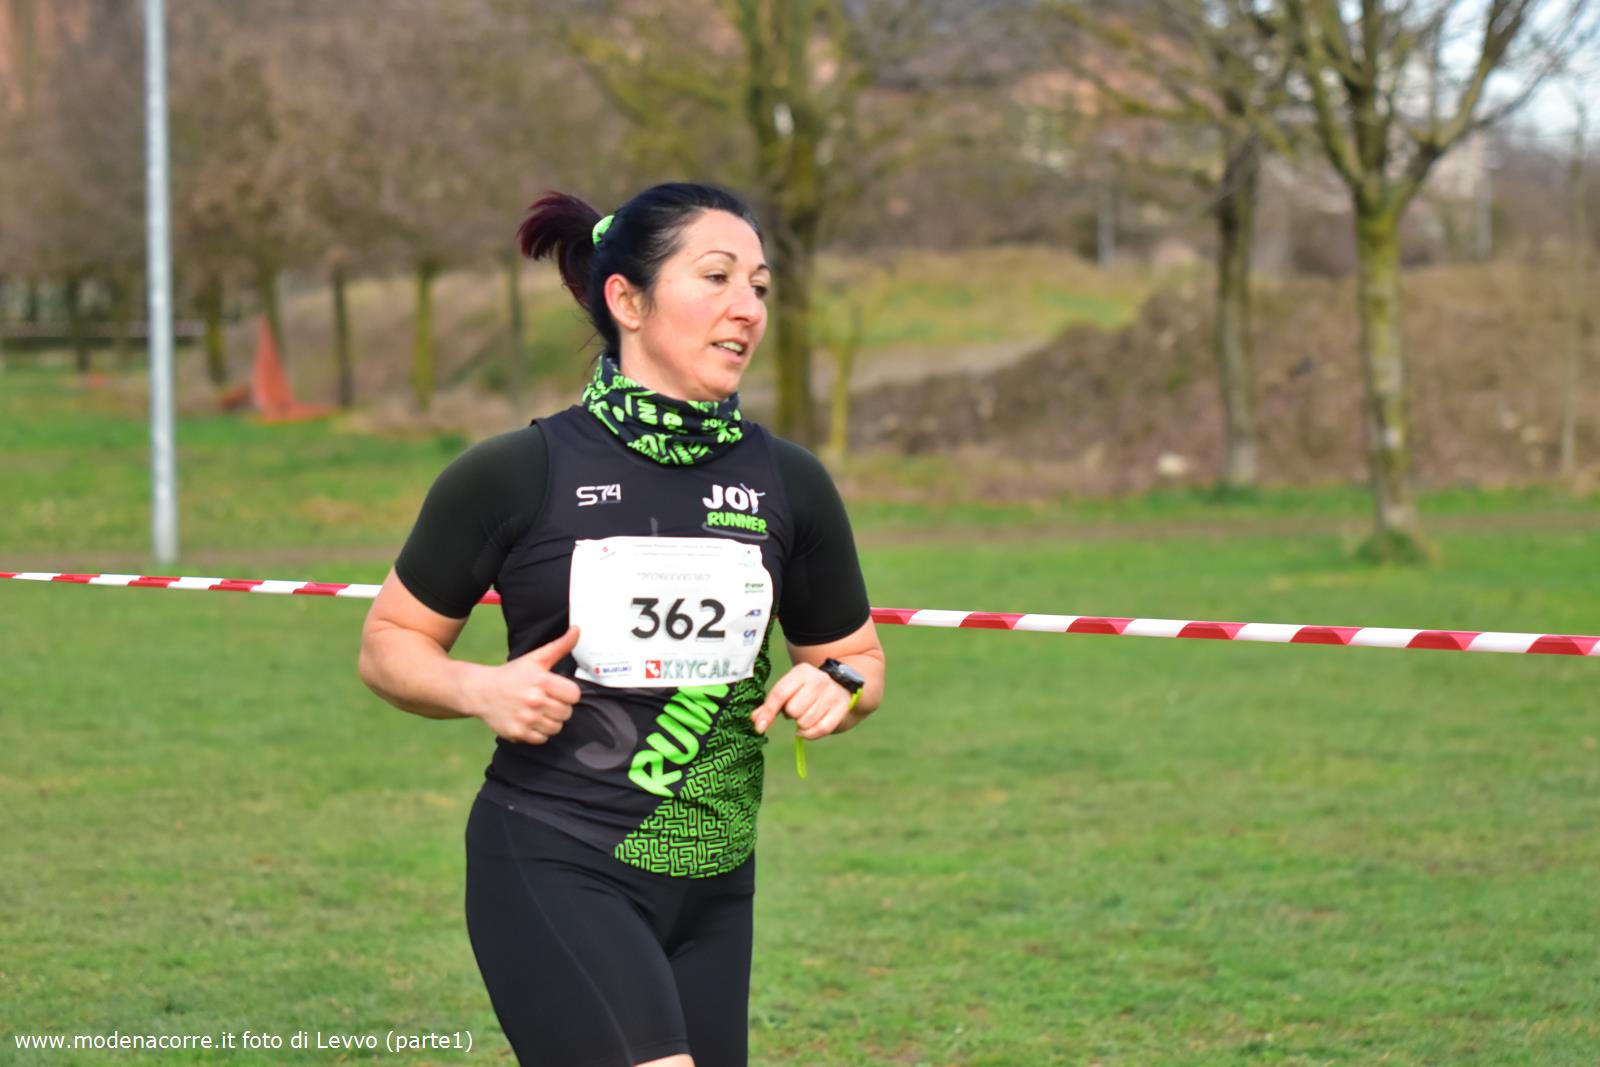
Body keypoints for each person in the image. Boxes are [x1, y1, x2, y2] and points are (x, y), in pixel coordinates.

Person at [357, 181, 886, 1067]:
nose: (748, 307)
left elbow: (859, 657)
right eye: (716, 277)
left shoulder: (790, 482)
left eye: (759, 285)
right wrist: (479, 687)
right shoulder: (515, 473)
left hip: (718, 882)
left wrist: (838, 686)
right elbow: (388, 644)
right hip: (556, 856)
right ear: (627, 300)